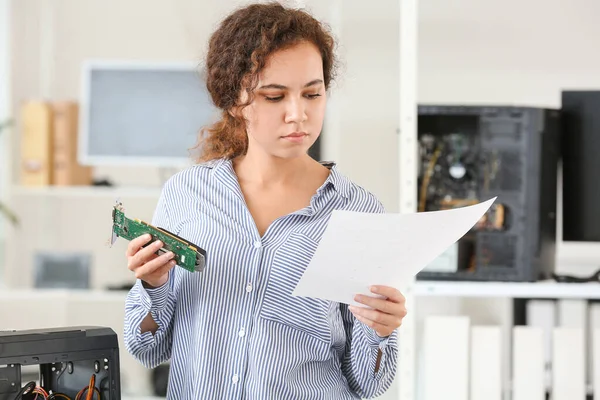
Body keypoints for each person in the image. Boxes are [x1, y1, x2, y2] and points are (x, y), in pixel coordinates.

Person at [123, 2, 407, 399]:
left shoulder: (357, 211)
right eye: (275, 97)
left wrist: (380, 330)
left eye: (313, 94)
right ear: (235, 100)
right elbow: (146, 348)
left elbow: (369, 384)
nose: (298, 115)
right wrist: (153, 285)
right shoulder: (187, 194)